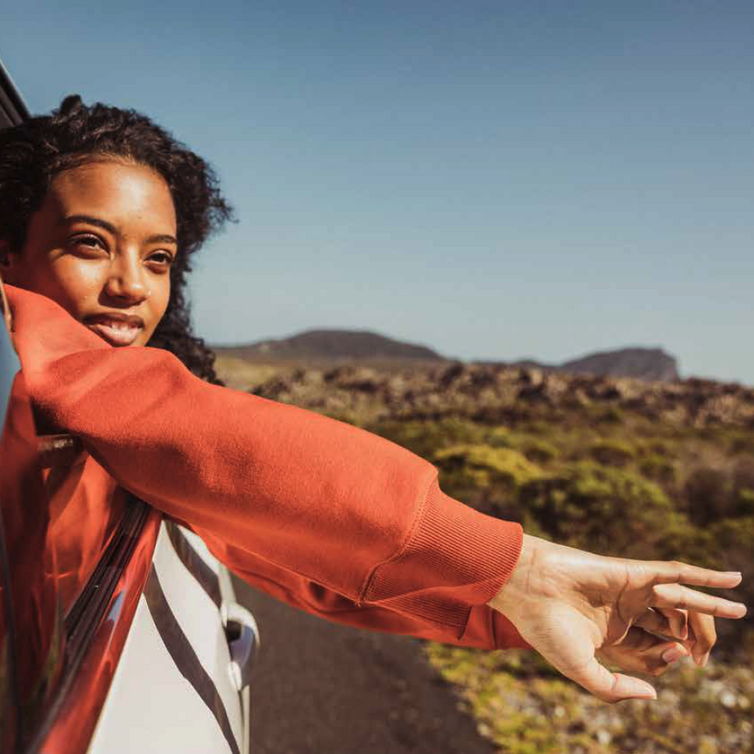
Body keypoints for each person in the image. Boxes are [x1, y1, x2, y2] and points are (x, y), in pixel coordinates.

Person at [0, 95, 746, 706]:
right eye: (91, 244)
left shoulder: (95, 409)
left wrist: (506, 607)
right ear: (10, 252)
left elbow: (294, 549)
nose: (132, 285)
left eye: (158, 258)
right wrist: (508, 565)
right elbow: (197, 432)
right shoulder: (28, 334)